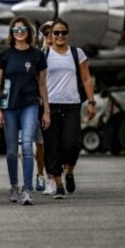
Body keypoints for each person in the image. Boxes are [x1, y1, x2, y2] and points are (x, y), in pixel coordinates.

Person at [0, 16, 51, 206]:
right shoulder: (4, 54)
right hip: (8, 107)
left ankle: (27, 190)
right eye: (15, 29)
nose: (19, 32)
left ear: (29, 32)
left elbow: (42, 85)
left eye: (23, 29)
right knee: (11, 151)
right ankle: (14, 186)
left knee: (27, 147)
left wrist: (46, 111)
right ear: (11, 33)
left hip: (30, 105)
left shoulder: (37, 55)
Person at [42, 19, 96, 199]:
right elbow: (38, 82)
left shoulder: (76, 53)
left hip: (72, 104)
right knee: (52, 146)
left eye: (63, 32)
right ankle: (58, 185)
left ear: (68, 34)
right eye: (55, 33)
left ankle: (70, 171)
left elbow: (86, 79)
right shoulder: (44, 54)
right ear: (50, 35)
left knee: (72, 143)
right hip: (50, 106)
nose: (59, 36)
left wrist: (91, 102)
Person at [37, 20, 55, 195]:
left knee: (65, 143)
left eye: (53, 32)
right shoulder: (38, 54)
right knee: (44, 143)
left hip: (62, 102)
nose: (50, 36)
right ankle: (48, 177)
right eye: (46, 33)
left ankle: (61, 173)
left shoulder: (68, 53)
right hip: (42, 103)